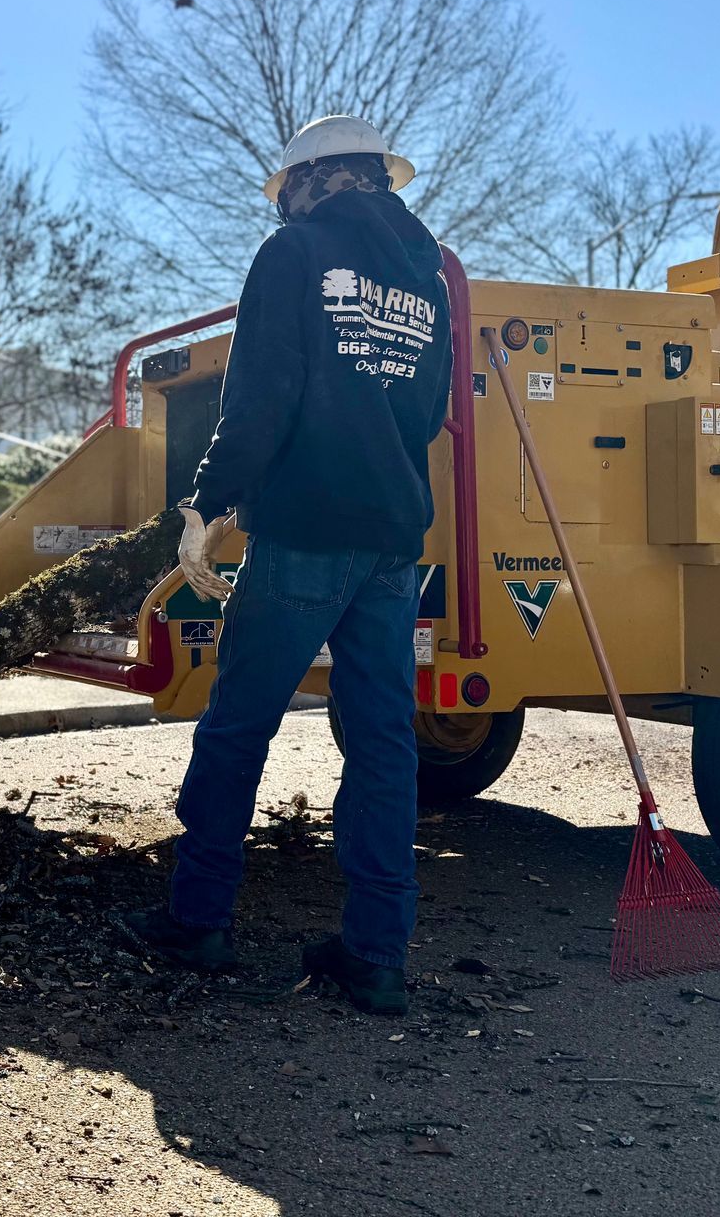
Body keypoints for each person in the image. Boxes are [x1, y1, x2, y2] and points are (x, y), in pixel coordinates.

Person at [123, 115, 452, 1017]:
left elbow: (260, 394)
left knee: (237, 727)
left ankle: (198, 922)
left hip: (305, 529)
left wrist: (207, 500)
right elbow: (427, 415)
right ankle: (378, 955)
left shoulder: (293, 254)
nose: (285, 203)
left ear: (312, 181)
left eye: (288, 190)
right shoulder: (428, 279)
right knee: (384, 747)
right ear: (378, 179)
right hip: (392, 542)